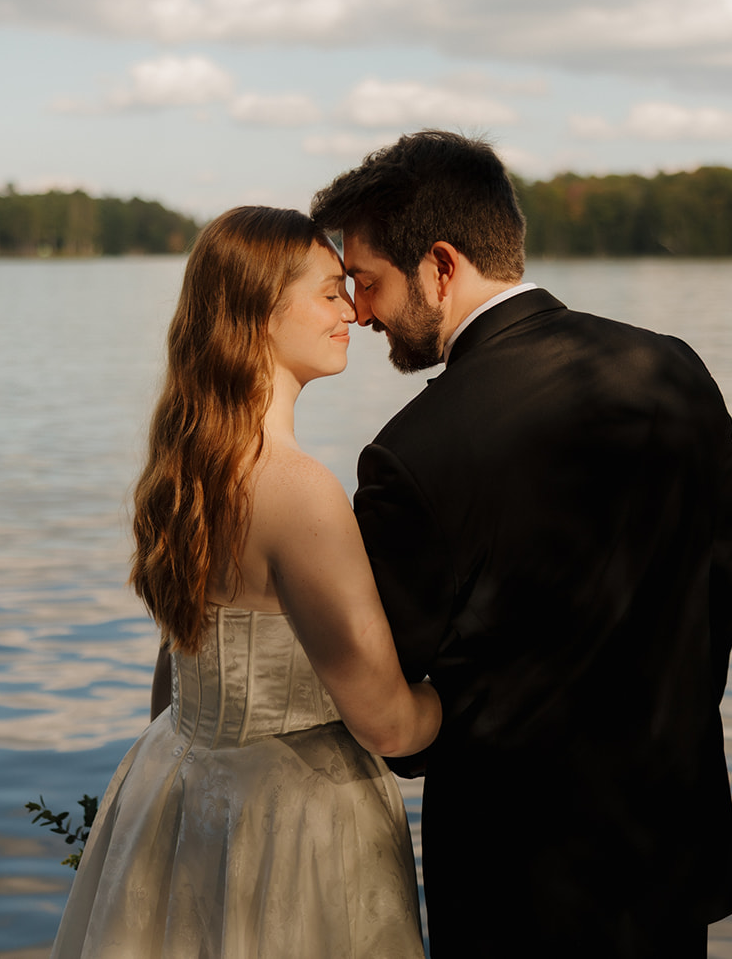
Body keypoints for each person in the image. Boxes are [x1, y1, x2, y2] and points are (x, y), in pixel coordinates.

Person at [310, 130, 732, 957]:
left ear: (440, 266)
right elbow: (714, 603)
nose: (358, 311)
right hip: (671, 856)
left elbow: (392, 683)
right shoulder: (675, 371)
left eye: (366, 281)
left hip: (518, 888)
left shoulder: (414, 451)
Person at [49, 206, 440, 959]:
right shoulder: (299, 490)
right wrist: (477, 699)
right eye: (330, 292)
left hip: (176, 786)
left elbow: (174, 672)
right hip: (290, 820)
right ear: (261, 311)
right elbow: (389, 723)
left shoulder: (188, 472)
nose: (355, 311)